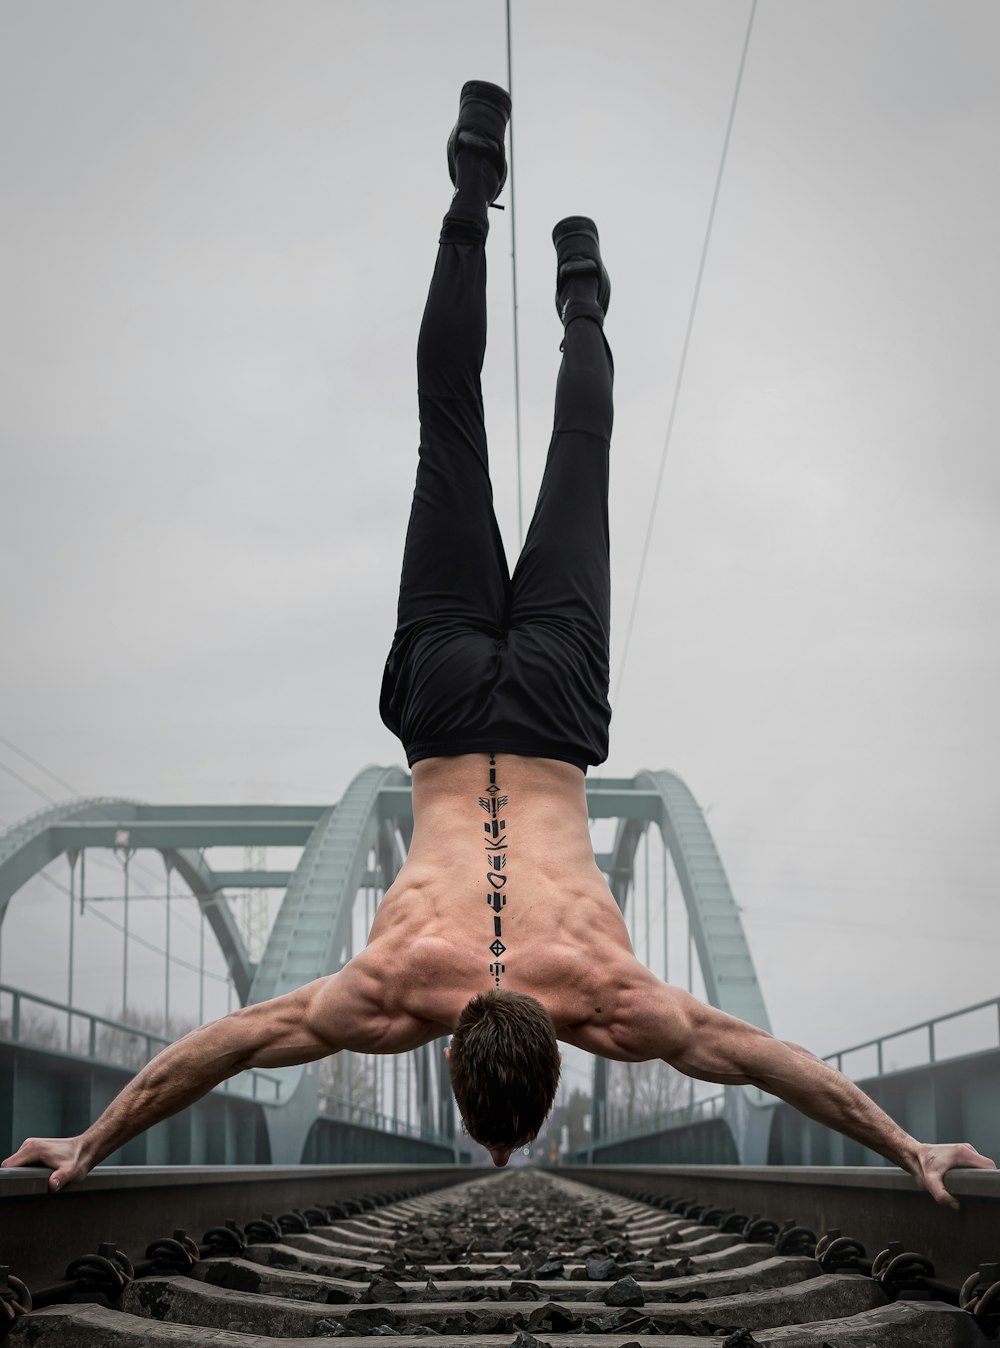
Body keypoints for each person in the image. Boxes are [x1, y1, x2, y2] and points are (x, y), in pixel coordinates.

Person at [3, 82, 993, 1203]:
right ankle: (471, 188)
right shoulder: (397, 990)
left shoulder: (604, 996)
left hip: (554, 712)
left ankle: (583, 295)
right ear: (455, 1059)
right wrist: (87, 1140)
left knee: (580, 459)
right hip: (441, 701)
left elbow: (766, 1059)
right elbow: (222, 1046)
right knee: (449, 422)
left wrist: (907, 1146)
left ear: (553, 1056)